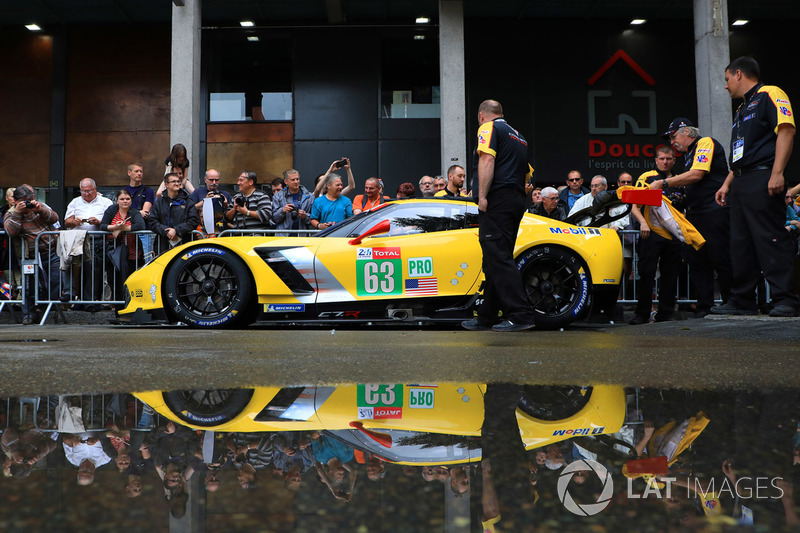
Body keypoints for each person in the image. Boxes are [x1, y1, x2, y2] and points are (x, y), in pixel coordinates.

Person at [713, 56, 800, 317]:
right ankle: (742, 300)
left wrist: (777, 173)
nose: (726, 86)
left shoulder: (769, 93)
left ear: (739, 74)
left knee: (769, 237)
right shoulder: (741, 109)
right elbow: (741, 153)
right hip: (741, 180)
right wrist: (728, 183)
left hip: (764, 176)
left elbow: (786, 130)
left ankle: (786, 298)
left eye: (727, 79)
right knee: (740, 242)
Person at [462, 99, 537, 332]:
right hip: (514, 199)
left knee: (499, 258)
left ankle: (521, 314)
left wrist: (482, 196)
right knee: (495, 258)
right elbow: (528, 174)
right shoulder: (519, 137)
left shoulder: (488, 128)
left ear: (481, 116)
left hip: (498, 199)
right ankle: (487, 316)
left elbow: (487, 158)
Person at [661, 117, 733, 317]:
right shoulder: (688, 154)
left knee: (721, 257)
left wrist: (665, 183)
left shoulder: (704, 143)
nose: (671, 142)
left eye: (674, 136)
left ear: (687, 132)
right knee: (698, 261)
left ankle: (733, 302)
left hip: (715, 210)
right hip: (696, 213)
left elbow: (697, 175)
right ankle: (704, 308)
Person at [629, 146, 683, 324]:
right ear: (656, 160)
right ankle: (642, 314)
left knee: (670, 275)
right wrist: (643, 223)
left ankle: (665, 314)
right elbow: (634, 205)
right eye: (662, 159)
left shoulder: (679, 180)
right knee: (646, 274)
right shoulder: (647, 177)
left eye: (669, 159)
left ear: (674, 160)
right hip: (650, 233)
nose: (665, 162)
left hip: (673, 235)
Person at [64, 178, 113, 309]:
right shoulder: (75, 202)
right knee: (79, 271)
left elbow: (111, 221)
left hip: (97, 239)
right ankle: (80, 301)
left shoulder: (106, 202)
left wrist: (99, 222)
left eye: (89, 191)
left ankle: (91, 301)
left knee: (95, 271)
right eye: (83, 191)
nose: (86, 194)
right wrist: (74, 221)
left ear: (95, 189)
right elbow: (67, 221)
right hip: (78, 240)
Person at [100, 189, 146, 299]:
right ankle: (118, 305)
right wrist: (115, 227)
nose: (125, 201)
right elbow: (102, 226)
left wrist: (123, 229)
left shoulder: (134, 212)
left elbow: (141, 225)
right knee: (113, 280)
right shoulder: (111, 210)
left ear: (131, 200)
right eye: (122, 199)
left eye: (127, 199)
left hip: (132, 253)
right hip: (113, 252)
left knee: (130, 279)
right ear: (117, 201)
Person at [148, 173, 200, 254]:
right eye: (173, 181)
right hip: (163, 244)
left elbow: (194, 221)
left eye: (178, 181)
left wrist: (177, 230)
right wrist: (166, 232)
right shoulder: (159, 203)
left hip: (185, 243)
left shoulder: (188, 202)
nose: (177, 183)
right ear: (166, 184)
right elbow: (152, 221)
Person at [190, 169, 232, 235]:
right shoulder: (198, 192)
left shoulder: (225, 194)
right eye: (211, 180)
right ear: (205, 180)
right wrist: (205, 201)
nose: (214, 182)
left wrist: (226, 204)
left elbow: (232, 212)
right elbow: (190, 209)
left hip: (222, 231)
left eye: (217, 180)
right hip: (202, 231)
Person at [272, 169, 314, 234]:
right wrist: (282, 210)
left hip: (301, 236)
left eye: (297, 179)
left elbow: (314, 218)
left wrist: (305, 216)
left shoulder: (309, 196)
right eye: (293, 180)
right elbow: (274, 219)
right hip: (283, 237)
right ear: (286, 181)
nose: (296, 182)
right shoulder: (278, 196)